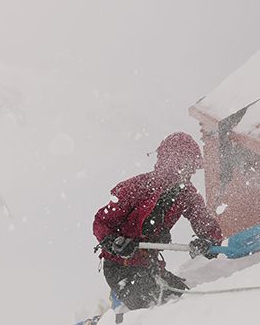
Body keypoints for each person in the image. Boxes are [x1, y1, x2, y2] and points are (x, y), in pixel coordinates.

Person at [93, 132, 223, 312]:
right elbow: (101, 222)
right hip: (120, 267)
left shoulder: (187, 194)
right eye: (189, 164)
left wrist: (208, 241)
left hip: (149, 266)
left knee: (182, 300)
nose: (193, 171)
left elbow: (204, 222)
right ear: (174, 162)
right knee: (153, 310)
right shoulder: (137, 188)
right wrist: (113, 242)